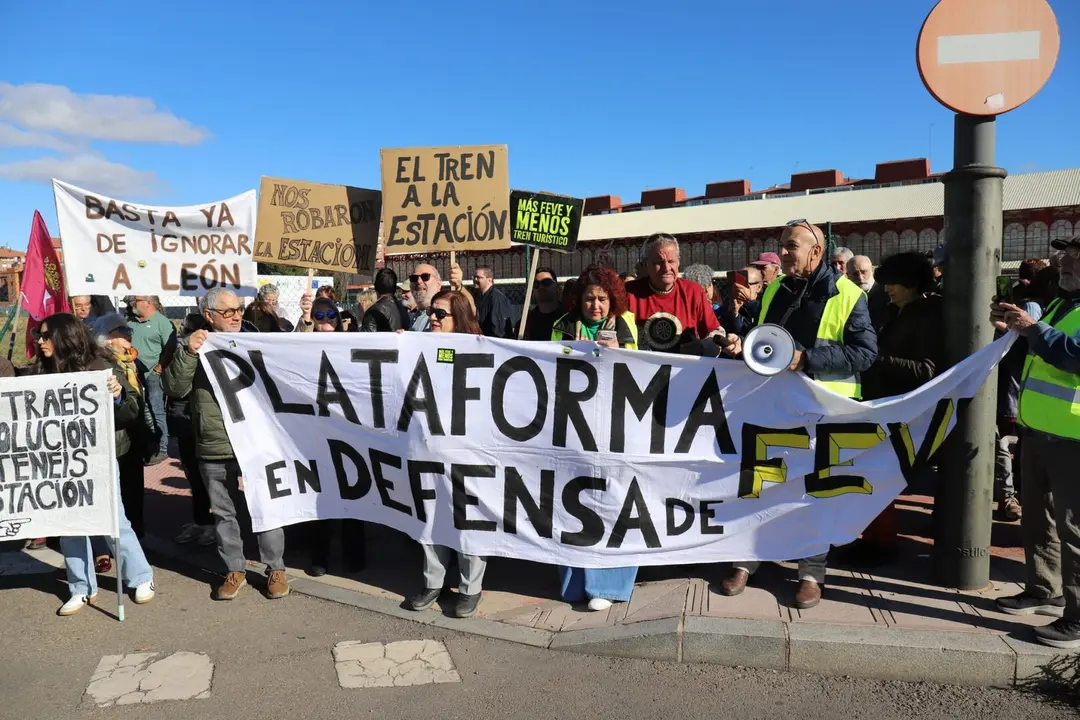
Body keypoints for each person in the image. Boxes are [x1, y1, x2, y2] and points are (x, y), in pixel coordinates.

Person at [719, 220, 878, 609]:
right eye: (782, 246)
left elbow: (865, 354)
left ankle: (811, 571)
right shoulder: (775, 288)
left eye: (791, 247)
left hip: (825, 408)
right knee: (760, 479)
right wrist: (746, 341)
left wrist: (805, 359)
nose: (784, 253)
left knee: (814, 492)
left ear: (815, 252)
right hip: (773, 404)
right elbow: (765, 337)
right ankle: (748, 558)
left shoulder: (848, 295)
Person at [163, 287, 289, 602]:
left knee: (267, 505)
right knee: (223, 511)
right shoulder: (194, 345)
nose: (236, 316)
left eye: (239, 309)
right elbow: (175, 389)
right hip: (215, 442)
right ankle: (235, 568)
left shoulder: (255, 337)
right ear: (209, 315)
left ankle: (276, 567)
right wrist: (188, 352)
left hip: (257, 440)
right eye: (228, 311)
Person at [29, 313, 155, 616]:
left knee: (114, 520)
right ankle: (80, 587)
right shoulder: (43, 371)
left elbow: (130, 413)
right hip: (59, 461)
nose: (40, 342)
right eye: (39, 336)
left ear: (64, 338)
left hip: (97, 457)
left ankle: (141, 577)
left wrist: (118, 395)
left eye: (45, 336)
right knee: (69, 525)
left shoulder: (101, 367)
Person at [992, 233, 1080, 649]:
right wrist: (1013, 330)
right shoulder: (1064, 304)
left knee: (1074, 531)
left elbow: (1073, 354)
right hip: (1040, 432)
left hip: (1073, 441)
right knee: (1038, 518)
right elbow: (1041, 354)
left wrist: (1035, 331)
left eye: (1078, 257)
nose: (1066, 262)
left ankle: (1077, 619)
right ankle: (1044, 589)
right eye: (1067, 254)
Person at [841, 252, 944, 566]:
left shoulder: (928, 315)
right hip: (880, 406)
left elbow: (928, 370)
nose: (886, 287)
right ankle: (873, 539)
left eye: (894, 282)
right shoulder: (892, 311)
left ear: (912, 283)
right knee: (872, 477)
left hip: (901, 411)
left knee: (879, 478)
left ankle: (883, 544)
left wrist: (878, 359)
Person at [550, 265, 639, 610]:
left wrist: (617, 351)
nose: (596, 306)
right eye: (589, 298)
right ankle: (575, 584)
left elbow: (641, 369)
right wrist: (571, 352)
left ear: (612, 300)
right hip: (573, 429)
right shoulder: (561, 326)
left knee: (613, 503)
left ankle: (608, 585)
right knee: (574, 503)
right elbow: (547, 366)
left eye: (602, 299)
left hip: (614, 428)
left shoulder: (625, 325)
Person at [406, 290, 487, 619]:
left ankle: (470, 587)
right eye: (433, 312)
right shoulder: (418, 345)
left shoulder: (482, 349)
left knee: (469, 521)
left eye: (442, 313)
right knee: (431, 517)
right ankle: (433, 582)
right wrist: (400, 346)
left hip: (469, 452)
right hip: (429, 450)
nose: (434, 318)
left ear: (461, 318)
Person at [303, 297, 367, 576]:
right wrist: (305, 322)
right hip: (315, 434)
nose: (326, 319)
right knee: (321, 499)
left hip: (350, 433)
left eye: (331, 314)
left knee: (354, 498)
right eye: (320, 315)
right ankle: (320, 556)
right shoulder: (301, 343)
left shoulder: (350, 343)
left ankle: (355, 555)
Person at [92, 313, 155, 539]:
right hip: (116, 439)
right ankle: (121, 540)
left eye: (128, 330)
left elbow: (142, 399)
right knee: (119, 492)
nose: (129, 334)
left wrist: (150, 431)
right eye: (121, 331)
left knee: (134, 491)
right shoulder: (101, 364)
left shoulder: (132, 361)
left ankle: (137, 535)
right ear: (105, 338)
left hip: (134, 435)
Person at [624, 234, 725, 354]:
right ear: (646, 264)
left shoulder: (693, 291)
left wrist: (703, 346)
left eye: (671, 261)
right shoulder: (628, 293)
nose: (666, 268)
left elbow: (715, 332)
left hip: (685, 369)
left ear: (678, 261)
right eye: (658, 262)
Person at [169, 305, 215, 547]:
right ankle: (200, 520)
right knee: (193, 474)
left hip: (201, 421)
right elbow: (173, 383)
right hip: (185, 420)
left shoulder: (208, 353)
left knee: (210, 477)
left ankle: (213, 524)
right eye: (183, 329)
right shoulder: (182, 351)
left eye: (187, 330)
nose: (182, 335)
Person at [125, 296, 176, 465]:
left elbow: (170, 347)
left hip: (153, 375)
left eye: (136, 300)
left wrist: (160, 367)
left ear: (148, 303)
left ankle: (162, 449)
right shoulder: (130, 321)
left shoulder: (162, 322)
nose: (133, 303)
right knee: (141, 410)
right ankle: (148, 445)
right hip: (133, 374)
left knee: (156, 409)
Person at [847, 255, 892, 330]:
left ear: (872, 270)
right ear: (848, 276)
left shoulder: (887, 294)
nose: (860, 278)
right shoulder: (845, 297)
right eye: (855, 274)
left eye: (864, 272)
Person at [717, 267, 763, 338]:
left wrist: (749, 302)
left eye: (745, 284)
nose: (738, 287)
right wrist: (734, 313)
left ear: (758, 287)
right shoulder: (727, 306)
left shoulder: (762, 306)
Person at [521, 268, 562, 341]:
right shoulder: (525, 324)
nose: (541, 287)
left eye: (546, 282)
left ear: (557, 287)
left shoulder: (569, 320)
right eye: (536, 284)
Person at [473, 265, 513, 338]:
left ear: (489, 280)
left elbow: (499, 328)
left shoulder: (496, 298)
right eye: (474, 277)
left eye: (479, 277)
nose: (475, 279)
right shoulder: (480, 297)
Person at [362, 269, 405, 333]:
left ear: (376, 287)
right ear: (395, 288)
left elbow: (368, 340)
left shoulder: (373, 312)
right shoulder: (403, 308)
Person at [407, 263, 444, 332]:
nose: (419, 281)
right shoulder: (414, 316)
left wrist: (459, 287)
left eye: (425, 277)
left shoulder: (444, 314)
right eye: (414, 278)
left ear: (438, 284)